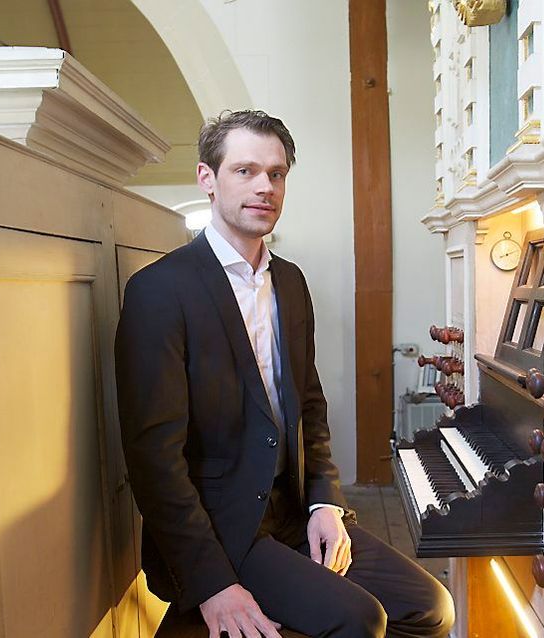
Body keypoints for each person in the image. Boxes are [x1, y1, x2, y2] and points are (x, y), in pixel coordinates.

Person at [115, 110, 455, 638]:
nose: (264, 187)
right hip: (223, 525)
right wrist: (211, 585)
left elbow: (310, 405)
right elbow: (153, 462)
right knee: (361, 621)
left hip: (294, 507)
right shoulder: (158, 292)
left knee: (430, 606)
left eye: (276, 174)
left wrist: (326, 502)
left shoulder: (290, 283)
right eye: (245, 171)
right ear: (207, 179)